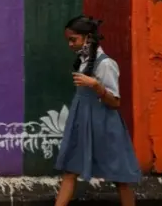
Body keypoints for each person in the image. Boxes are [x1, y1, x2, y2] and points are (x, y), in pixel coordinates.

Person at [54, 15, 141, 206]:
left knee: (121, 178)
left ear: (88, 38)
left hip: (104, 124)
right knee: (70, 170)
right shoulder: (84, 61)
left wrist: (96, 85)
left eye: (73, 39)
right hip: (82, 121)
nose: (70, 44)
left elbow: (115, 102)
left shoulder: (106, 64)